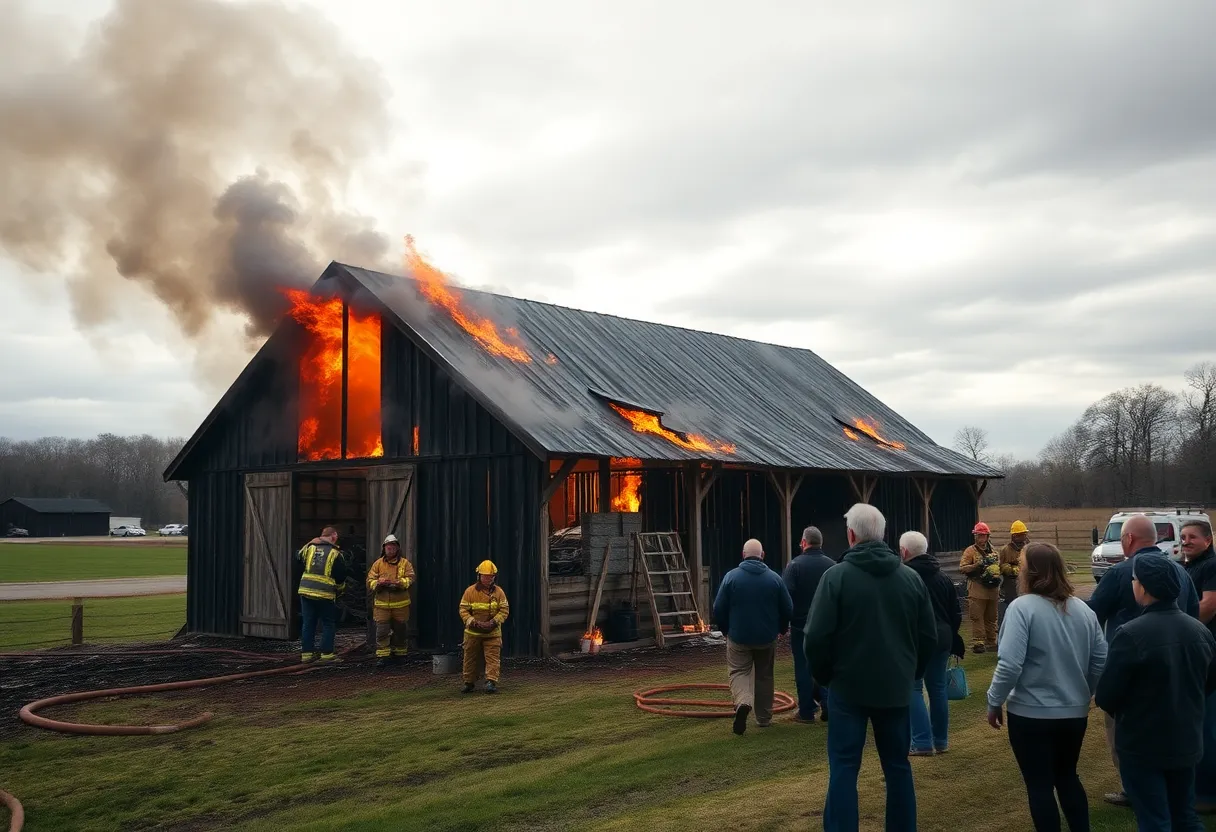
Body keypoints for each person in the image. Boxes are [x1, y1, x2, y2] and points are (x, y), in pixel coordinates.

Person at [804, 504, 938, 831]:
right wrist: (911, 674)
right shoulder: (910, 579)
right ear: (883, 535)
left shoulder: (835, 578)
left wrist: (825, 678)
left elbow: (816, 638)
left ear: (851, 535)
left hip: (847, 689)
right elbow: (927, 637)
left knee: (844, 768)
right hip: (895, 688)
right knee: (897, 766)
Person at [987, 542, 1106, 832]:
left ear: (1030, 572)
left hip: (1031, 715)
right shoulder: (1083, 610)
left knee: (1039, 785)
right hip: (1073, 713)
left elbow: (1010, 663)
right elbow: (1100, 659)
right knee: (1067, 777)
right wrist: (1084, 690)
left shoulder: (1021, 608)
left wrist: (994, 700)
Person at [1096, 553, 1216, 831]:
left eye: (1135, 580)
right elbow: (1208, 682)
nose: (1133, 584)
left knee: (1155, 820)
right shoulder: (1200, 630)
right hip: (1186, 741)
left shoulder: (1129, 635)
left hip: (1143, 746)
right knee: (1185, 816)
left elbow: (1106, 696)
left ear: (1145, 588)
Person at [1088, 513, 1200, 807]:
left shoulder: (1121, 573)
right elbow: (1192, 615)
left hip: (1130, 671)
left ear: (1128, 539)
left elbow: (1092, 617)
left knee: (1124, 733)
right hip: (1176, 669)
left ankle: (1133, 788)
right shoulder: (1180, 573)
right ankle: (1170, 786)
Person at [713, 538, 794, 735]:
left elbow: (718, 608)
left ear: (743, 554)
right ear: (762, 555)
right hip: (766, 637)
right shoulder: (775, 579)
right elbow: (788, 608)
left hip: (738, 637)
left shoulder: (731, 578)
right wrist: (781, 629)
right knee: (764, 676)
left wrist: (725, 630)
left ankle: (743, 703)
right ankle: (764, 718)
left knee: (739, 672)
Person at [901, 531, 963, 756]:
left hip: (917, 638)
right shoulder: (943, 577)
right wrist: (949, 632)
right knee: (937, 689)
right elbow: (955, 612)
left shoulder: (904, 577)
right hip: (943, 637)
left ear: (904, 551)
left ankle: (921, 741)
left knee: (913, 688)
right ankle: (941, 740)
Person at [782, 526, 836, 723]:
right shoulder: (832, 566)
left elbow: (785, 596)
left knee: (803, 668)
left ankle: (806, 711)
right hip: (827, 627)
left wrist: (784, 622)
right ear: (820, 543)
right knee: (825, 665)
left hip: (800, 626)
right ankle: (828, 704)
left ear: (804, 543)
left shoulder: (794, 566)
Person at [1181, 519, 1216, 811]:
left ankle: (1207, 795)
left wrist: (1180, 630)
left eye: (1192, 537)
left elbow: (1209, 605)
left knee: (1207, 725)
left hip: (1208, 655)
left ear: (1207, 540)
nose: (1186, 541)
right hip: (1194, 653)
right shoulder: (1188, 567)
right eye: (1182, 537)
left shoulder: (1211, 566)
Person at [296, 526, 349, 663]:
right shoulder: (336, 553)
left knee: (308, 623)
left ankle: (306, 655)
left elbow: (297, 560)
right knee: (328, 623)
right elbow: (340, 575)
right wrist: (341, 590)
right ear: (334, 536)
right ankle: (326, 655)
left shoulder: (309, 548)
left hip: (306, 592)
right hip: (325, 594)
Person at [459, 560, 510, 693]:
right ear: (479, 576)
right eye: (486, 576)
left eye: (491, 576)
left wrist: (493, 622)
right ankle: (469, 682)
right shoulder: (470, 591)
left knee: (493, 658)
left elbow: (504, 610)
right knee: (470, 658)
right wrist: (473, 622)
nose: (488, 579)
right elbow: (463, 610)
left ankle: (491, 682)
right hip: (473, 633)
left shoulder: (499, 592)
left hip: (493, 633)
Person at [366, 533, 416, 667]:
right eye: (388, 546)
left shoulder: (405, 563)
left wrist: (400, 583)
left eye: (393, 546)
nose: (390, 548)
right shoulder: (378, 564)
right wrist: (378, 583)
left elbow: (411, 578)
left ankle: (400, 655)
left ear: (397, 548)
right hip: (382, 605)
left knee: (400, 630)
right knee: (382, 631)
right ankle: (383, 656)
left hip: (401, 604)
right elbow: (369, 580)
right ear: (384, 548)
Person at [959, 522, 1002, 653]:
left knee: (992, 617)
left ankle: (991, 641)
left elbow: (999, 566)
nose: (981, 538)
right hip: (977, 588)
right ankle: (979, 642)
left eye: (984, 536)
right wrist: (977, 565)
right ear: (975, 536)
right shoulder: (970, 551)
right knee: (977, 616)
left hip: (992, 590)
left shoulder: (994, 552)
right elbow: (962, 568)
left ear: (988, 536)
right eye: (979, 535)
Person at [1000, 520, 1029, 605]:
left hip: (1026, 584)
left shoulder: (1028, 549)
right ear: (1014, 536)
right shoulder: (1006, 550)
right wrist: (1012, 569)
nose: (1022, 538)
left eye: (1024, 535)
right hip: (1011, 586)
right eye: (1019, 535)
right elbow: (1001, 566)